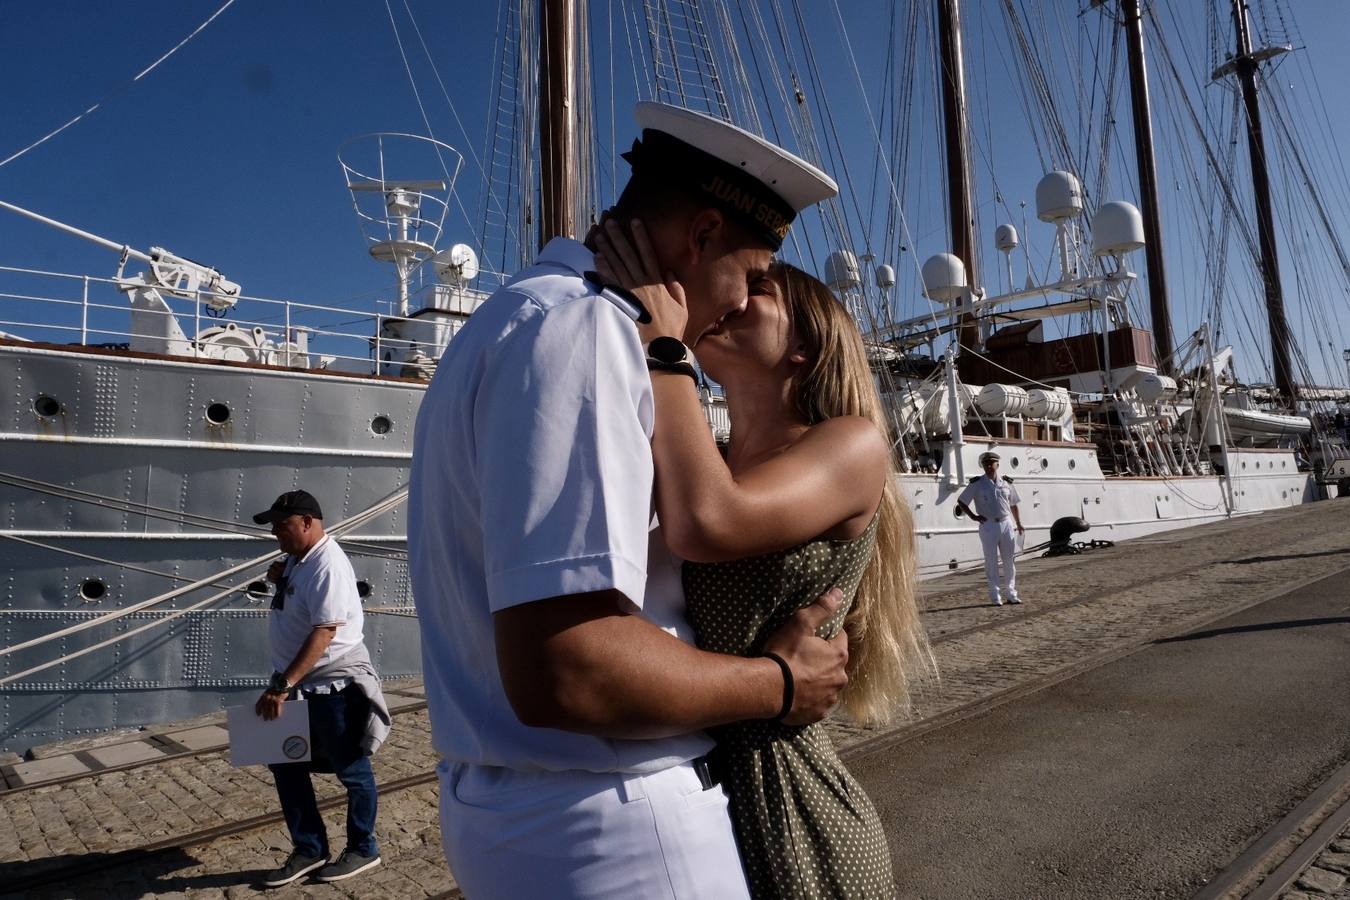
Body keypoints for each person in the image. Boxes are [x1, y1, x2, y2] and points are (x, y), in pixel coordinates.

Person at [408, 102, 849, 899]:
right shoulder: (590, 330)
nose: (742, 305)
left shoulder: (508, 317)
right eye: (750, 278)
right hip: (615, 823)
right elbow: (568, 669)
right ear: (703, 234)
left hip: (521, 812)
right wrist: (778, 686)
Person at [592, 224, 932, 897]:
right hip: (709, 808)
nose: (733, 296)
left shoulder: (851, 444)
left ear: (804, 346)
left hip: (798, 814)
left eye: (759, 289)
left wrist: (664, 346)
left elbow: (707, 525)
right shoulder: (707, 466)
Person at [251, 489, 391, 888]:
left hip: (333, 687)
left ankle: (364, 848)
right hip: (300, 687)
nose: (277, 533)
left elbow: (325, 631)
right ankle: (310, 849)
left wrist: (281, 685)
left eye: (283, 525)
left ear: (308, 522)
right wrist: (278, 576)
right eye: (274, 526)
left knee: (352, 769)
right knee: (284, 763)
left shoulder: (328, 565)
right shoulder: (299, 560)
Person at [955, 451, 1025, 606]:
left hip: (1006, 523)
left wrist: (1018, 523)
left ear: (997, 465)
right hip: (988, 525)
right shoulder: (977, 484)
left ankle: (1011, 594)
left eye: (991, 463)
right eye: (986, 463)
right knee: (991, 561)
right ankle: (995, 596)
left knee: (1009, 561)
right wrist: (973, 516)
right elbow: (961, 501)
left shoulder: (1006, 483)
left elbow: (1013, 504)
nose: (988, 466)